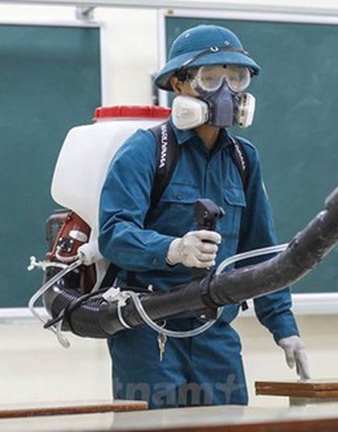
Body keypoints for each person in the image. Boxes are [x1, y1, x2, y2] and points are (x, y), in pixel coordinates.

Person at [98, 24, 309, 409]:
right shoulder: (146, 151)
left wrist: (283, 327)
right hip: (150, 334)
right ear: (179, 84)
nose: (226, 91)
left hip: (215, 334)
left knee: (228, 422)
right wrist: (172, 249)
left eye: (237, 78)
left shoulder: (244, 159)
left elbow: (261, 255)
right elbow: (113, 233)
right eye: (209, 78)